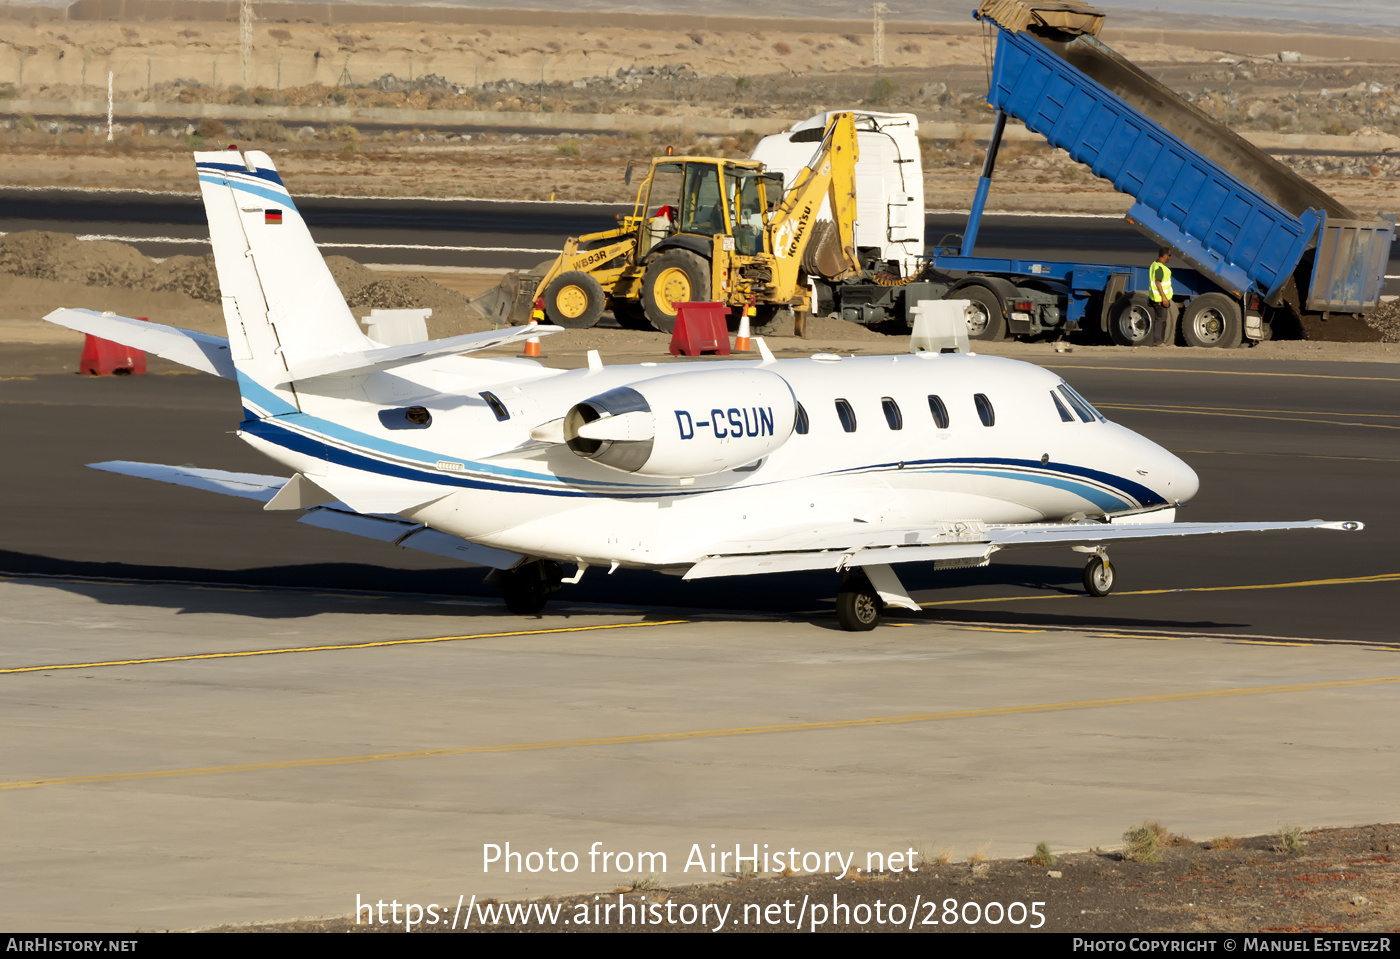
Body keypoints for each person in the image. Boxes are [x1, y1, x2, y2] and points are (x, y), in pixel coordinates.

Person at [1149, 247, 1176, 346]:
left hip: (1157, 298)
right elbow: (1157, 282)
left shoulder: (1154, 265)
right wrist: (1164, 297)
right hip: (1160, 299)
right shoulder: (1160, 268)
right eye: (1169, 255)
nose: (1170, 257)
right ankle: (1158, 342)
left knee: (1161, 320)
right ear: (1165, 255)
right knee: (1160, 320)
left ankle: (1160, 341)